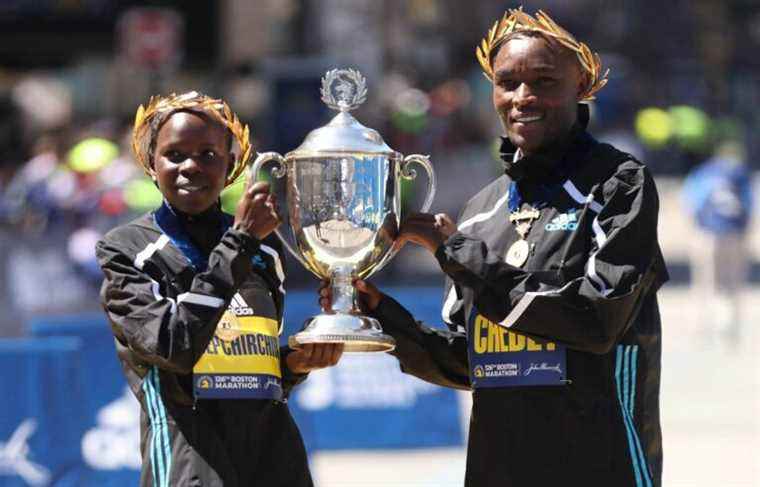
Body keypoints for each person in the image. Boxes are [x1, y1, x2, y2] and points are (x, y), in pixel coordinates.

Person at [322, 8, 668, 486]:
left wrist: (457, 253)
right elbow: (471, 360)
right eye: (508, 82)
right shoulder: (482, 211)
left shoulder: (617, 184)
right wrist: (382, 313)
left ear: (581, 86)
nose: (524, 97)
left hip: (599, 465)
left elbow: (595, 320)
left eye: (544, 81)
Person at [97, 92, 343, 487]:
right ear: (150, 163)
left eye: (208, 154)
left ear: (232, 165)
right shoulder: (126, 249)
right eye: (174, 155)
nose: (190, 166)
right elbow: (174, 348)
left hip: (274, 459)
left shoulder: (265, 247)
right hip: (190, 459)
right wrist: (239, 242)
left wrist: (294, 365)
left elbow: (253, 370)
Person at [682, 140, 753, 343]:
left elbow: (692, 203)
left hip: (707, 233)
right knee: (731, 284)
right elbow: (749, 205)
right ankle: (728, 328)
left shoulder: (702, 172)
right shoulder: (740, 174)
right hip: (734, 234)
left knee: (704, 282)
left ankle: (701, 327)